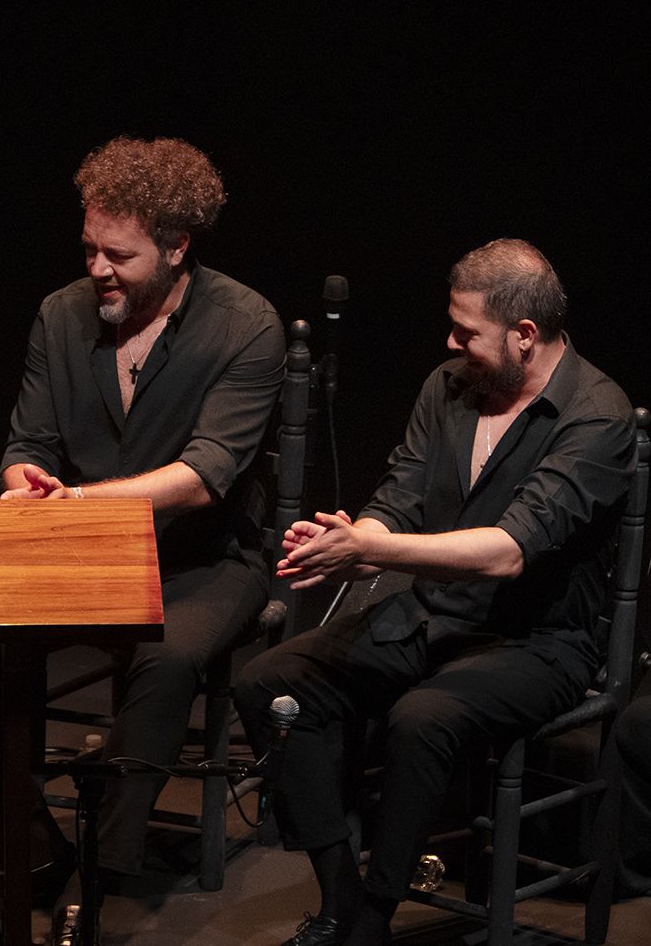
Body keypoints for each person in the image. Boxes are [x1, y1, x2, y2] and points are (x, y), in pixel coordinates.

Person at [0, 135, 284, 916]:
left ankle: (102, 874)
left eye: (120, 254)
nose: (99, 269)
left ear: (178, 248)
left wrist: (80, 502)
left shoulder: (246, 324)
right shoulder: (61, 314)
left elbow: (207, 473)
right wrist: (28, 483)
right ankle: (31, 838)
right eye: (89, 248)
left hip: (200, 562)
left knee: (166, 657)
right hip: (78, 551)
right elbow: (27, 444)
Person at [236, 239, 633, 946]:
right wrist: (352, 543)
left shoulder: (594, 416)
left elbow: (510, 550)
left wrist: (376, 549)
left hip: (538, 642)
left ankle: (373, 915)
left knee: (422, 717)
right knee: (271, 679)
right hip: (432, 617)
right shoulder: (447, 387)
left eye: (466, 330)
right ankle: (342, 894)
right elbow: (402, 495)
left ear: (525, 335)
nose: (450, 342)